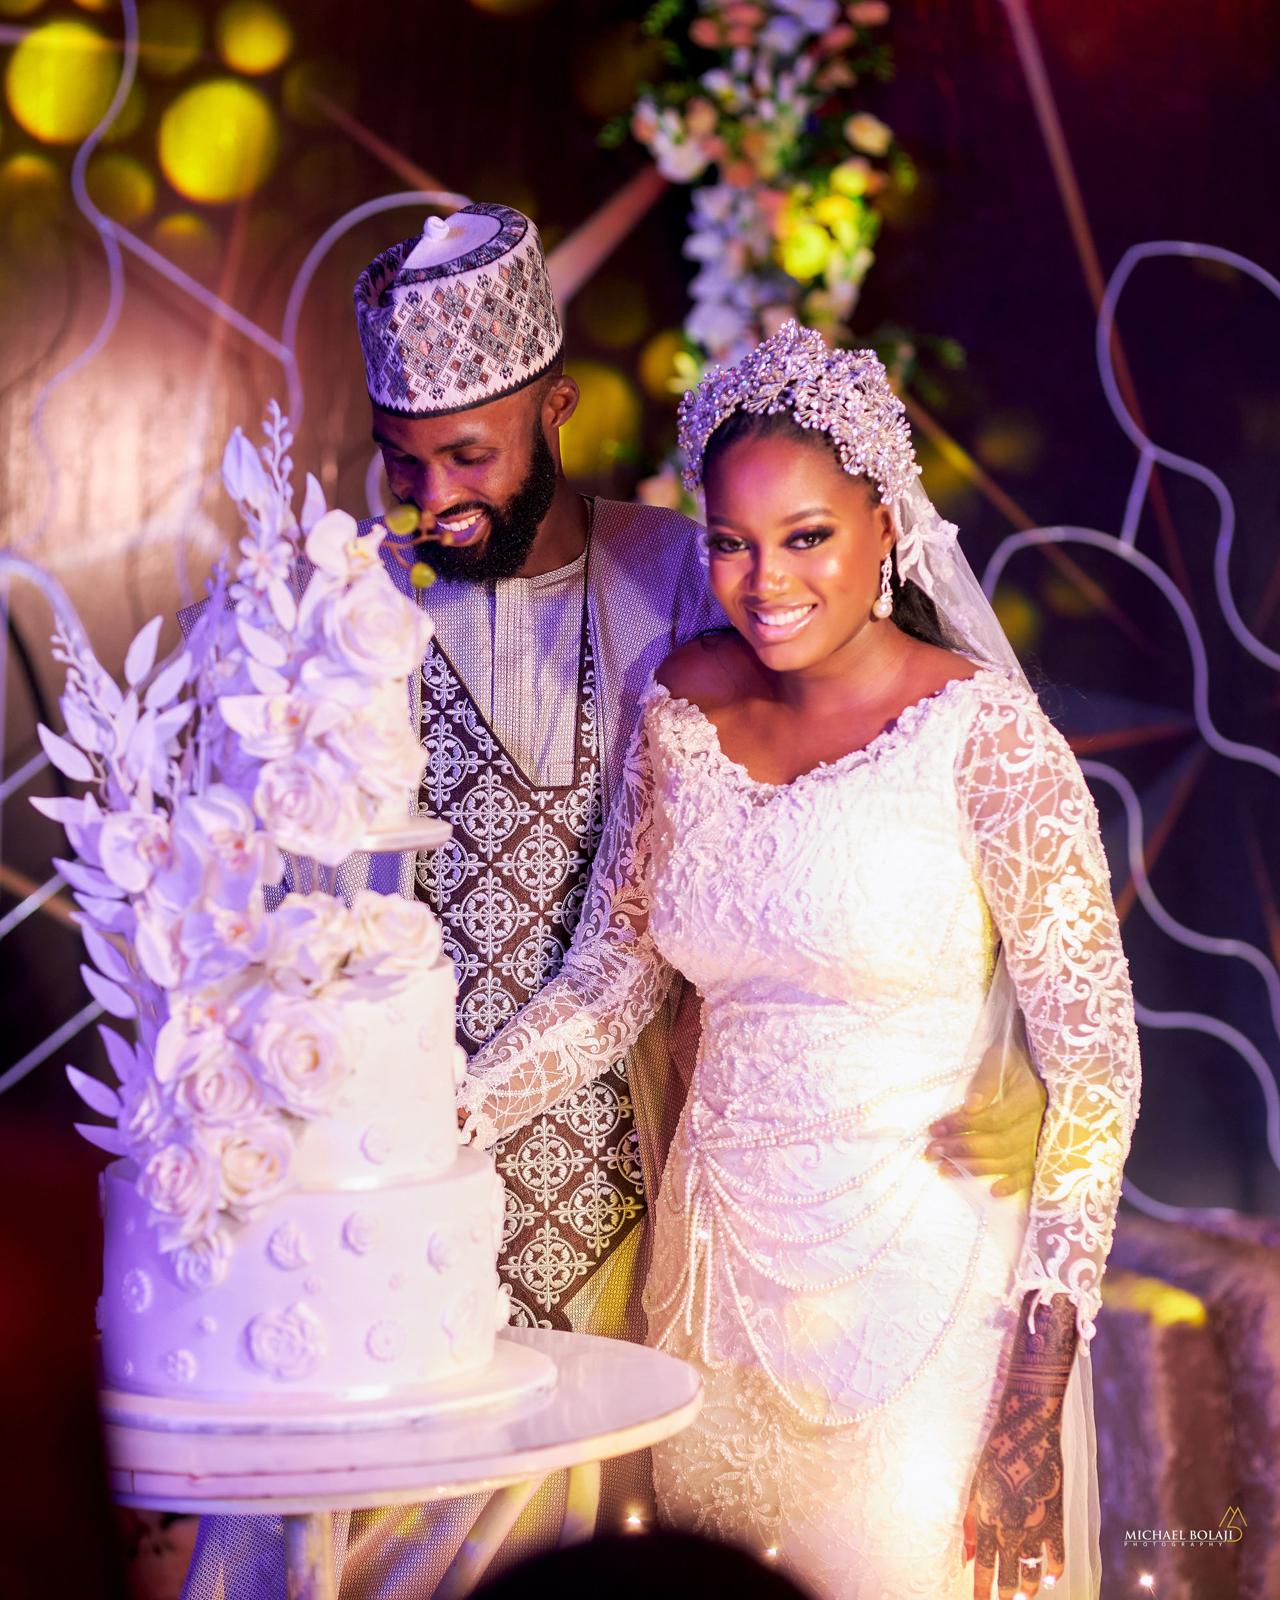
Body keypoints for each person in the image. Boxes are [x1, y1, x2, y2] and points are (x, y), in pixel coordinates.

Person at [180, 210, 1045, 1599]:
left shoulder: (695, 576)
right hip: (395, 1199)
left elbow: (892, 806)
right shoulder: (327, 615)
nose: (436, 499)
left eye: (472, 455)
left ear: (557, 409)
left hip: (641, 1195)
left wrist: (1010, 1054)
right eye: (405, 462)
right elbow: (236, 906)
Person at [457, 320, 1142, 1600]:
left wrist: (1030, 1395)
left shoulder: (985, 740)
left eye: (805, 536)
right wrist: (435, 1117)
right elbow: (609, 980)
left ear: (884, 526)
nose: (763, 580)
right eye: (729, 541)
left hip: (922, 1292)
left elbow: (1096, 1063)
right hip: (710, 1285)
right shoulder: (679, 703)